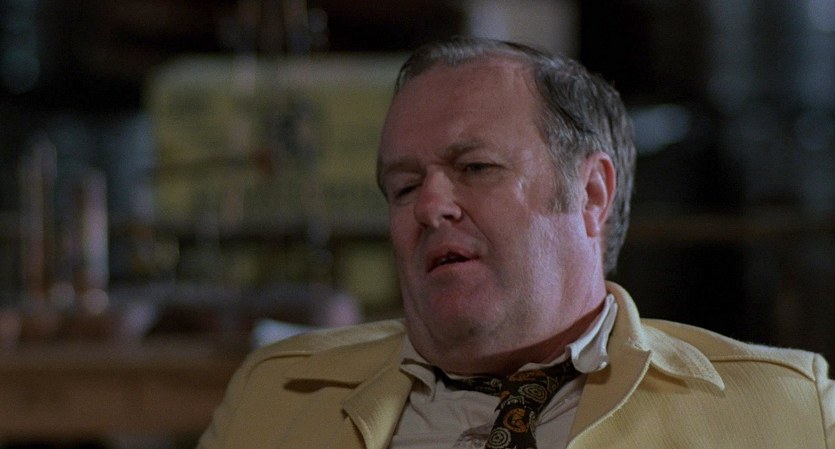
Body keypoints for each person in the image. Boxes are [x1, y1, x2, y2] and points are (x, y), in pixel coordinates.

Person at [197, 37, 834, 449]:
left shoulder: (786, 413)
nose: (429, 207)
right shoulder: (275, 395)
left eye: (475, 168)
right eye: (404, 186)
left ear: (591, 193)